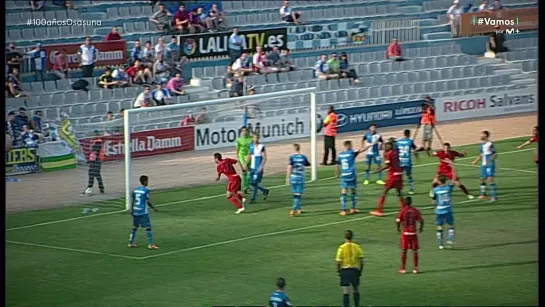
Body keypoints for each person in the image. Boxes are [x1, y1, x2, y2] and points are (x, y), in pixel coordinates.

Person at [369, 142, 406, 217]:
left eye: (386, 146)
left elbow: (387, 166)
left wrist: (378, 170)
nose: (385, 147)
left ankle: (379, 210)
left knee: (384, 192)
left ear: (390, 147)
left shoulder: (389, 154)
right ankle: (404, 208)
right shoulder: (395, 153)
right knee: (399, 193)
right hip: (399, 175)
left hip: (393, 176)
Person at [335, 140, 367, 216]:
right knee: (353, 191)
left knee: (344, 192)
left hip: (344, 175)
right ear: (349, 146)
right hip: (352, 174)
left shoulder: (341, 155)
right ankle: (353, 208)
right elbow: (361, 150)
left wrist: (337, 174)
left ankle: (343, 210)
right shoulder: (352, 152)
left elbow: (337, 165)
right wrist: (370, 145)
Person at [129, 175, 159, 250]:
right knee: (148, 227)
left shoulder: (136, 190)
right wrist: (154, 208)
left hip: (135, 210)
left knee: (135, 227)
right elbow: (147, 201)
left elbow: (133, 200)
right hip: (142, 211)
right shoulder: (146, 190)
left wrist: (132, 210)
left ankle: (131, 243)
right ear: (145, 181)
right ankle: (151, 244)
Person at [335, 230, 364, 307]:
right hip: (354, 270)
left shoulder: (341, 248)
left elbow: (338, 262)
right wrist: (360, 271)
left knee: (346, 291)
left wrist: (338, 270)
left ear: (345, 237)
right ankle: (356, 305)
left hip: (345, 270)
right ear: (352, 237)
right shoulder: (357, 247)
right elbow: (361, 261)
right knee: (356, 289)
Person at [396, 196, 423, 274]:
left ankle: (403, 268)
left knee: (404, 250)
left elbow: (398, 220)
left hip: (405, 233)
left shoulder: (403, 211)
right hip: (413, 233)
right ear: (411, 202)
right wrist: (421, 228)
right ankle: (415, 268)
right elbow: (421, 220)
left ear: (405, 202)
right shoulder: (415, 210)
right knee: (415, 251)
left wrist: (398, 228)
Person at [433, 173, 457, 249]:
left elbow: (433, 201)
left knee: (439, 226)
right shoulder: (448, 188)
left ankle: (441, 244)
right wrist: (452, 165)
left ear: (439, 182)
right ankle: (450, 239)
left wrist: (435, 207)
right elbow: (454, 178)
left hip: (439, 210)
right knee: (451, 225)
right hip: (448, 209)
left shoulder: (435, 190)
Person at [471, 131, 497, 201]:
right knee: (482, 178)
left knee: (490, 179)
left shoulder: (490, 144)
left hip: (490, 165)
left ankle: (494, 196)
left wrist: (489, 161)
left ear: (486, 136)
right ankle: (483, 194)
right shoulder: (482, 145)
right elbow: (481, 154)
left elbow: (494, 154)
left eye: (482, 135)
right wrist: (475, 161)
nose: (481, 136)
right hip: (484, 165)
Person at [286, 143, 310, 216]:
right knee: (298, 194)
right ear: (299, 148)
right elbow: (308, 164)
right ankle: (293, 209)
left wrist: (287, 178)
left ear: (294, 149)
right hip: (300, 177)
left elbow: (289, 167)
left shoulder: (292, 157)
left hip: (293, 177)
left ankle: (299, 209)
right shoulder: (303, 157)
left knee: (295, 194)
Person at [246, 133, 270, 203]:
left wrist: (261, 167)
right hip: (252, 168)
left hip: (258, 168)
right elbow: (249, 155)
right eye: (254, 137)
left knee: (255, 183)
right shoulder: (251, 146)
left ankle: (253, 198)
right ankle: (264, 190)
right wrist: (246, 164)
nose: (255, 139)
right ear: (252, 138)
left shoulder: (261, 146)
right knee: (251, 182)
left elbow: (264, 158)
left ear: (258, 138)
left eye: (256, 137)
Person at [396, 129, 418, 194]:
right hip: (407, 161)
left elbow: (396, 151)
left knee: (399, 176)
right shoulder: (410, 141)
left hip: (400, 161)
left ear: (404, 134)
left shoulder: (398, 142)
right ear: (409, 134)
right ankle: (411, 189)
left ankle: (399, 191)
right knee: (409, 175)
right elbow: (415, 149)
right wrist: (416, 155)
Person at [236, 127, 253, 194]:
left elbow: (251, 149)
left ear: (248, 131)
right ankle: (245, 187)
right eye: (243, 131)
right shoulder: (239, 140)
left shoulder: (251, 139)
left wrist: (249, 157)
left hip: (249, 156)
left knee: (251, 172)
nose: (244, 132)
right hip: (242, 156)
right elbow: (237, 149)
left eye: (245, 131)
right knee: (244, 171)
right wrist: (237, 157)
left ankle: (247, 186)